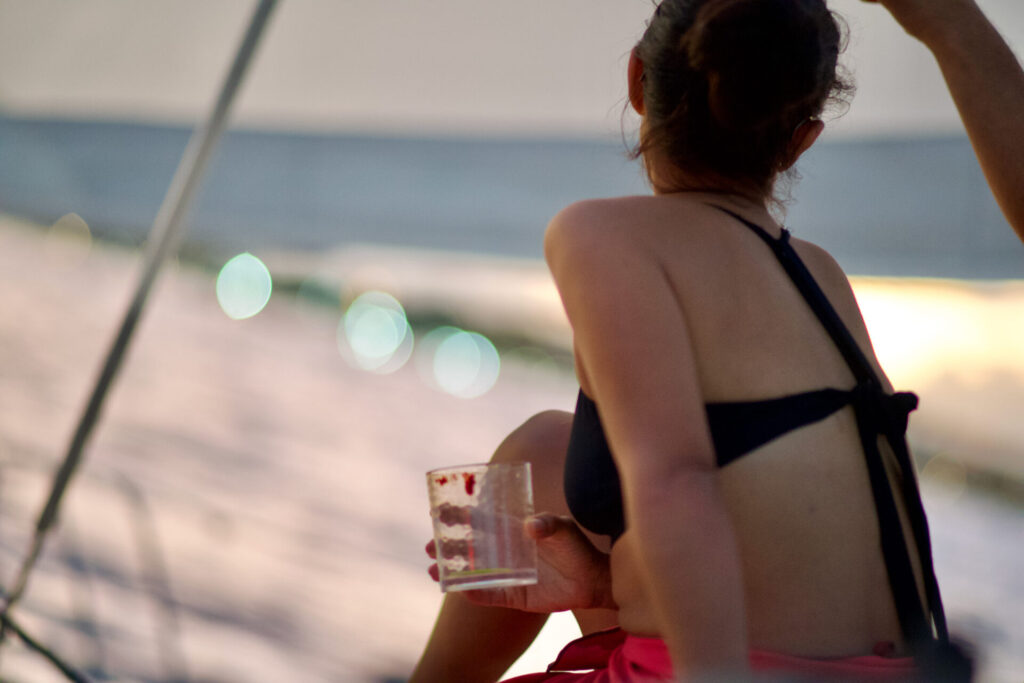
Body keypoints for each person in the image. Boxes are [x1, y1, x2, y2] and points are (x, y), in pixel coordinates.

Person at [411, 0, 1023, 680]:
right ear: (803, 137)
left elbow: (677, 481)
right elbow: (795, 539)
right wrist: (605, 585)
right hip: (890, 669)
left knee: (523, 474)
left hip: (725, 669)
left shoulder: (601, 234)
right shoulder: (821, 277)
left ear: (638, 80)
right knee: (543, 447)